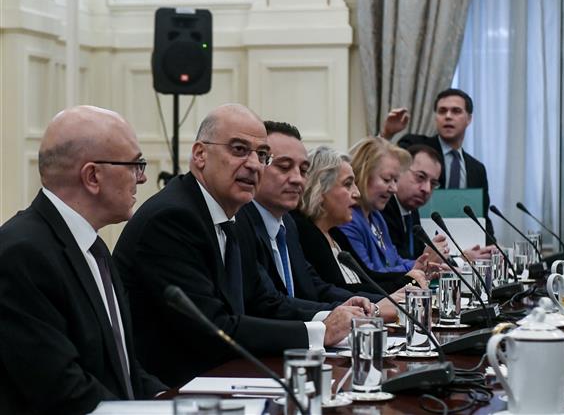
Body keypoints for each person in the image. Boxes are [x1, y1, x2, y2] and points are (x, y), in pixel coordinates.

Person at [113, 105, 365, 387]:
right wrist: (320, 332)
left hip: (225, 376)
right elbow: (212, 328)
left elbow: (264, 302)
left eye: (262, 155)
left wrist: (333, 316)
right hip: (173, 389)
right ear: (200, 155)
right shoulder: (172, 219)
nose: (254, 164)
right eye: (239, 150)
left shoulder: (236, 215)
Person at [0, 106, 166, 415]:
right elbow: (60, 389)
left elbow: (123, 370)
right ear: (92, 176)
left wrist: (171, 401)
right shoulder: (21, 255)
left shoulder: (94, 247)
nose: (142, 178)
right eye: (135, 165)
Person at [237, 121, 402, 321]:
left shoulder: (287, 224)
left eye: (303, 170)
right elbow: (267, 304)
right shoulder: (240, 222)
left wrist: (372, 304)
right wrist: (349, 314)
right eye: (284, 167)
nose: (297, 179)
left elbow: (315, 287)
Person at [292, 145, 428, 295]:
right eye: (348, 184)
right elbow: (334, 291)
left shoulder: (335, 233)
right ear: (320, 188)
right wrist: (409, 281)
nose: (357, 193)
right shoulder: (304, 232)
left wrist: (412, 276)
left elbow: (368, 277)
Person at [381, 88, 495, 241]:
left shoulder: (477, 169)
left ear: (469, 119)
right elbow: (383, 165)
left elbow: (482, 217)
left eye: (456, 111)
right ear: (435, 117)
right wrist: (386, 135)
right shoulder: (415, 145)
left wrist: (493, 246)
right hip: (418, 240)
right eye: (442, 111)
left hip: (464, 244)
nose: (448, 116)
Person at [336, 137, 448, 278]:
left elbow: (395, 261)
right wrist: (421, 266)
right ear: (363, 174)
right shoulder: (348, 220)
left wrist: (426, 263)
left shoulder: (376, 216)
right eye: (387, 180)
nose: (394, 188)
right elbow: (369, 276)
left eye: (395, 180)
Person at [382, 144, 495, 262]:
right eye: (420, 177)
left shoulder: (411, 212)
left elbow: (418, 256)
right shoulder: (384, 208)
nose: (426, 189)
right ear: (399, 171)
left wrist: (461, 259)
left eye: (433, 183)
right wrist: (428, 261)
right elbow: (396, 264)